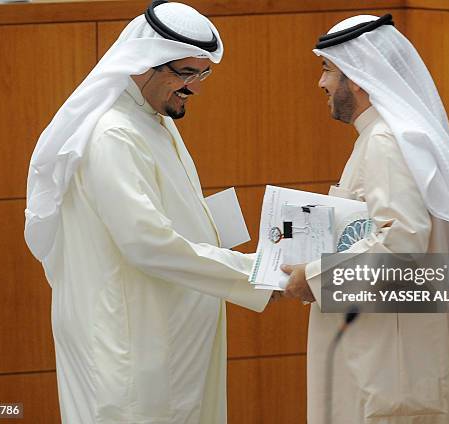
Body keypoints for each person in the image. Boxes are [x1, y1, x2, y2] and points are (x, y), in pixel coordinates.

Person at [23, 2, 271, 422]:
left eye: (202, 73)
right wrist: (258, 273)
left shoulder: (152, 119)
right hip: (133, 342)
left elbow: (172, 210)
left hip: (171, 332)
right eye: (185, 73)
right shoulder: (112, 134)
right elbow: (146, 242)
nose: (195, 87)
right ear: (144, 64)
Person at [282, 14, 449, 423]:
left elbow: (401, 245)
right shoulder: (383, 137)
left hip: (390, 373)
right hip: (382, 356)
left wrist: (313, 279)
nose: (321, 84)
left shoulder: (386, 141)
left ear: (359, 78)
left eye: (327, 70)